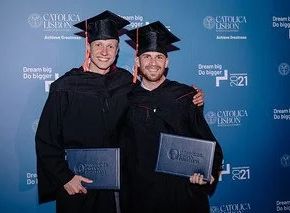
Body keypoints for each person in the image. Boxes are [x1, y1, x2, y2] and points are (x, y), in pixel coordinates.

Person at [35, 10, 204, 213]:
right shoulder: (64, 87)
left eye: (111, 46)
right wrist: (64, 178)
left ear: (117, 51)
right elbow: (46, 139)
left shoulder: (125, 82)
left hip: (121, 185)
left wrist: (192, 96)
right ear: (88, 48)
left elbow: (155, 97)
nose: (104, 52)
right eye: (99, 45)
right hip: (79, 183)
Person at [120, 21, 223, 213]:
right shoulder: (127, 99)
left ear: (167, 62)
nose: (153, 63)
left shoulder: (185, 96)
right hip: (141, 196)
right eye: (146, 57)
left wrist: (205, 172)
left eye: (159, 57)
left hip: (182, 195)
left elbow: (208, 142)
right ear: (137, 62)